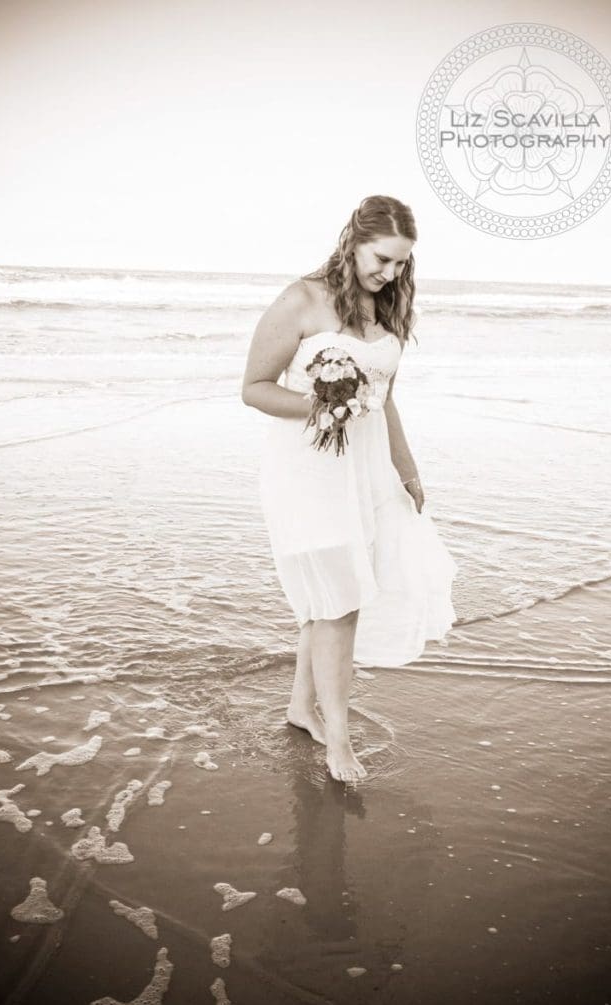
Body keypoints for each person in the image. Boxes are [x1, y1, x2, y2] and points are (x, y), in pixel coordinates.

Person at [241, 195, 459, 786]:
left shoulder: (386, 307)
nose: (390, 274)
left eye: (400, 264)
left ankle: (300, 707)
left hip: (365, 473)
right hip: (308, 472)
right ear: (354, 240)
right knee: (338, 601)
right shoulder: (302, 299)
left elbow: (385, 398)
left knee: (331, 598)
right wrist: (321, 404)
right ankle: (337, 738)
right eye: (383, 259)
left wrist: (407, 468)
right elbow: (255, 389)